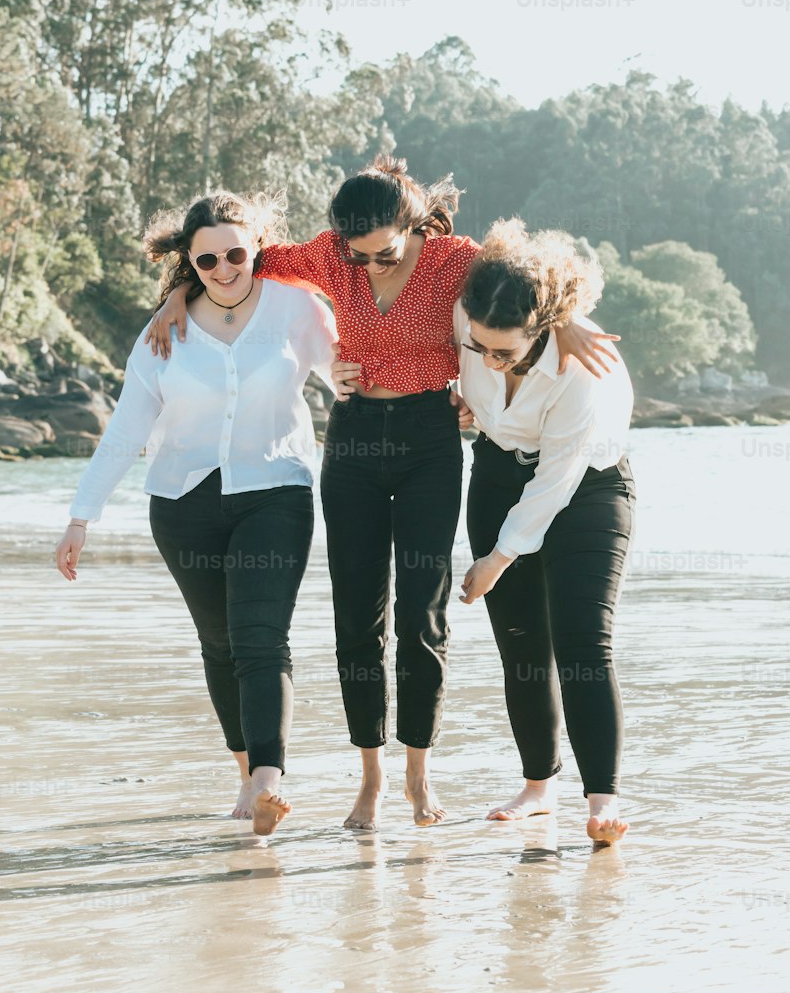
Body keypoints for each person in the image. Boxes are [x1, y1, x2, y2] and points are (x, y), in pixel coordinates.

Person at [147, 158, 620, 831]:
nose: (367, 265)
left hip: (430, 440)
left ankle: (417, 779)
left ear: (414, 225)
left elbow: (530, 277)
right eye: (356, 254)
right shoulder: (327, 256)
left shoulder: (458, 259)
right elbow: (234, 263)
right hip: (354, 441)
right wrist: (174, 298)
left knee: (421, 618)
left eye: (384, 252)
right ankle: (369, 780)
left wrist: (567, 319)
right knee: (356, 621)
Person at [54, 191, 337, 837]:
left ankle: (270, 776)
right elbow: (127, 428)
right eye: (208, 260)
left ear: (257, 246)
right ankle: (246, 774)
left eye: (237, 253)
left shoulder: (295, 306)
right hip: (183, 505)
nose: (226, 268)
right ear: (191, 261)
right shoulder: (165, 330)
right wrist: (81, 516)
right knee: (221, 645)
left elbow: (346, 370)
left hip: (276, 492)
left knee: (262, 637)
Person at [455, 220, 636, 848]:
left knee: (584, 642)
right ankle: (539, 788)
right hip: (499, 471)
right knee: (521, 648)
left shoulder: (579, 369)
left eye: (504, 353)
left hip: (588, 487)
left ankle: (603, 801)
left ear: (543, 329)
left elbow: (556, 480)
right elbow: (449, 253)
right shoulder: (475, 315)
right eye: (479, 349)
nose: (486, 360)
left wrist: (497, 560)